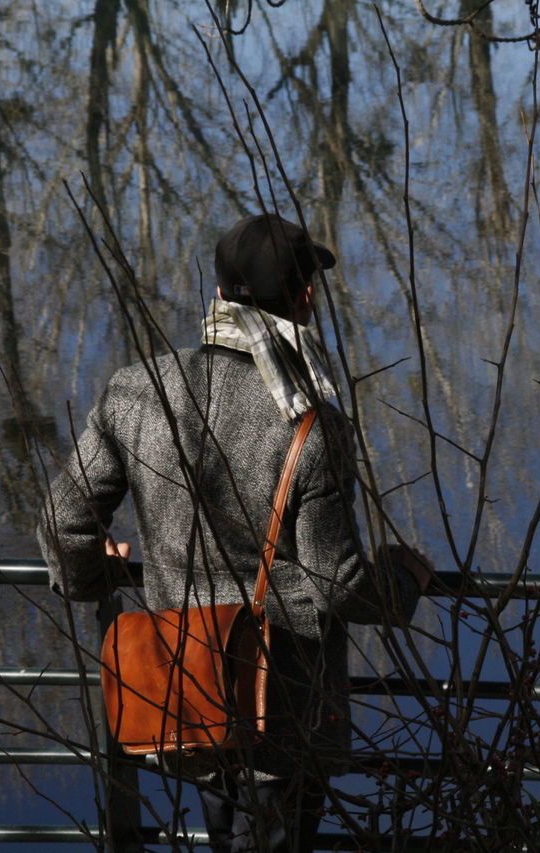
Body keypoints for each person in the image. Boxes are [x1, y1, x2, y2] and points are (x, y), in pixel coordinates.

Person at [38, 212, 432, 852]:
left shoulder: (139, 391)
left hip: (184, 685)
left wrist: (92, 573)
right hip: (285, 706)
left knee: (224, 835)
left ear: (218, 294)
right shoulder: (310, 422)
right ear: (305, 298)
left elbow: (63, 522)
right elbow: (339, 585)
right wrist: (403, 581)